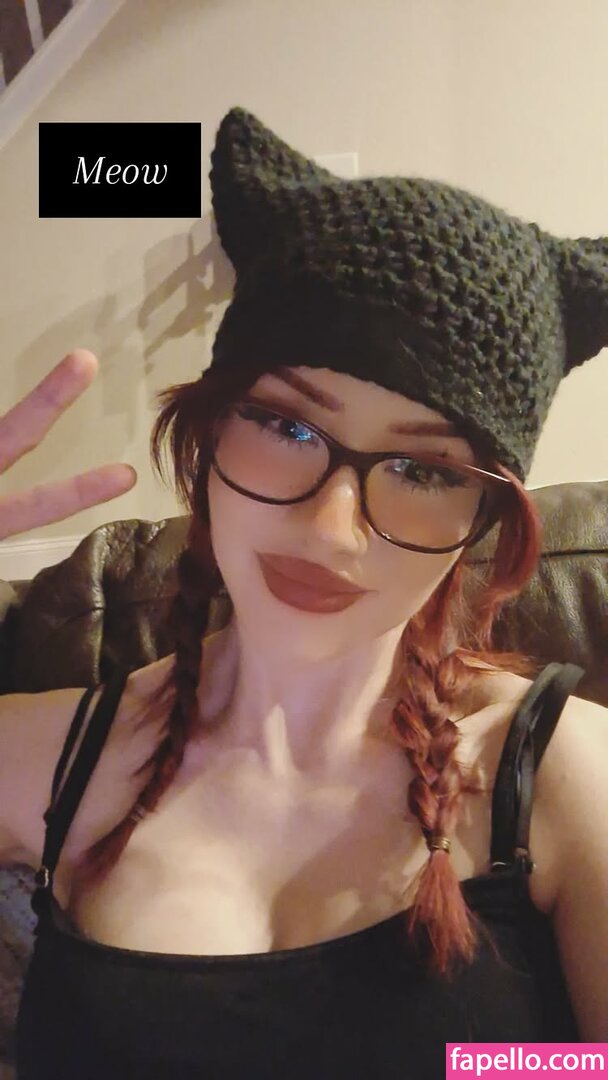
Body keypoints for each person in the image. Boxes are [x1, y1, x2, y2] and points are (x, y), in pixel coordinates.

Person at [1, 106, 607, 1078]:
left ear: (484, 518)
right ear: (207, 432)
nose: (330, 529)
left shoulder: (567, 777)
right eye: (285, 427)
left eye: (422, 470)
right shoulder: (49, 759)